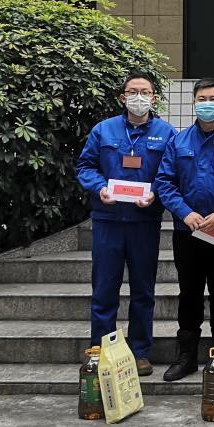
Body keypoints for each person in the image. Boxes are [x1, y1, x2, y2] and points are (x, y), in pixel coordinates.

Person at [76, 71, 175, 376]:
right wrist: (99, 188)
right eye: (133, 92)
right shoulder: (103, 130)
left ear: (154, 98)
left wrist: (155, 193)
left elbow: (170, 173)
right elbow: (85, 166)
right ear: (122, 97)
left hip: (144, 221)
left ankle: (140, 352)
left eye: (145, 92)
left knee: (143, 290)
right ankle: (101, 350)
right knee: (104, 289)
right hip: (108, 220)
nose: (138, 97)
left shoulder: (166, 133)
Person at [155, 79, 214, 381]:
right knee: (189, 292)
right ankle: (186, 356)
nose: (208, 104)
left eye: (213, 99)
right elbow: (164, 183)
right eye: (202, 99)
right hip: (188, 232)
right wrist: (185, 212)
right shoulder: (178, 141)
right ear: (194, 103)